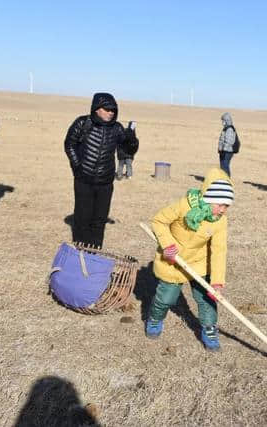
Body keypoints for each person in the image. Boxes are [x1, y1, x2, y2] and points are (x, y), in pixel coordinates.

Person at [145, 168, 234, 351]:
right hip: (173, 259)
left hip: (199, 262)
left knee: (206, 298)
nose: (223, 210)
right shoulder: (184, 205)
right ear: (208, 198)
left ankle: (209, 328)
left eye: (227, 206)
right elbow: (159, 221)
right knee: (167, 298)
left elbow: (219, 250)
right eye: (221, 205)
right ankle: (154, 318)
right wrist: (168, 245)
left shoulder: (220, 220)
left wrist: (217, 282)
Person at [64, 93, 138, 248]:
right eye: (107, 109)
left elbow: (128, 150)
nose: (111, 112)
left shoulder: (117, 128)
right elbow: (69, 144)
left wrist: (132, 139)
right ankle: (80, 250)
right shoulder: (83, 122)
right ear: (96, 109)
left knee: (99, 219)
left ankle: (95, 251)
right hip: (83, 180)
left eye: (113, 109)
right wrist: (78, 166)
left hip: (105, 183)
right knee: (82, 217)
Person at [217, 112, 238, 177]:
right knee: (223, 166)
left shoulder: (229, 129)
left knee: (225, 166)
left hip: (227, 151)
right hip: (225, 151)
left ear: (226, 120)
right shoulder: (226, 128)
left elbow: (228, 141)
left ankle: (227, 180)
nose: (222, 122)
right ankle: (224, 179)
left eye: (223, 120)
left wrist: (224, 150)